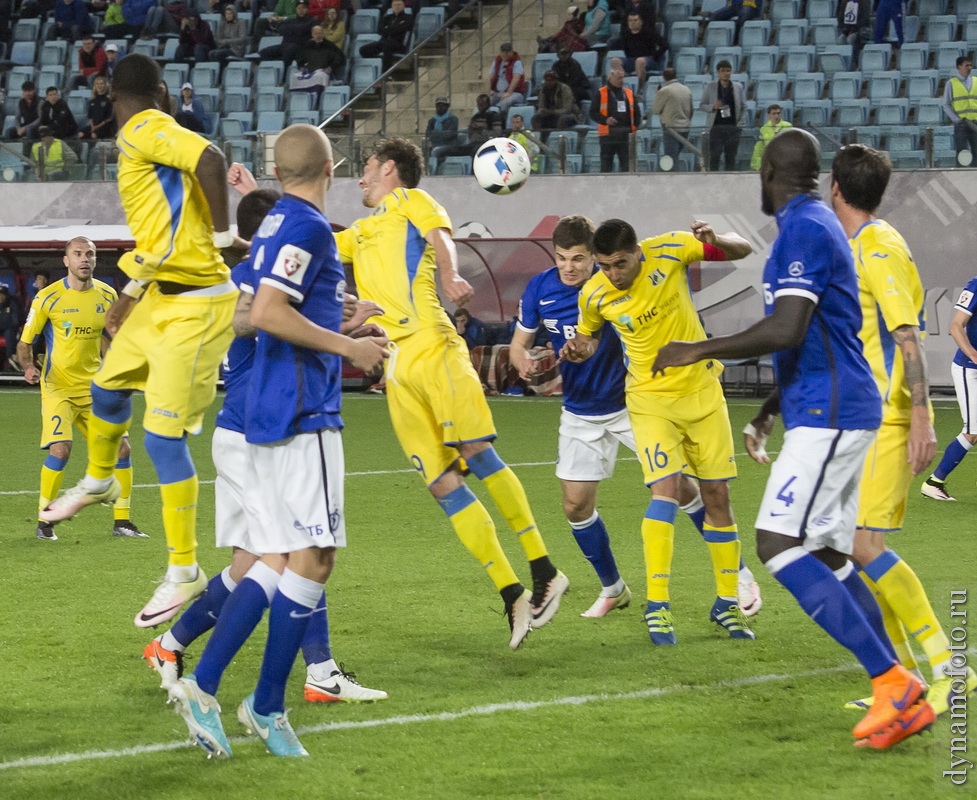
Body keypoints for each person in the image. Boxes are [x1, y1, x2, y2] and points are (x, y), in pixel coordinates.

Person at [652, 128, 935, 749]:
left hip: (831, 411)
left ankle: (894, 682)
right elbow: (811, 332)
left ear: (767, 174)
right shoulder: (810, 225)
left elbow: (787, 328)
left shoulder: (806, 228)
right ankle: (902, 681)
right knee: (831, 555)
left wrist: (697, 348)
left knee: (778, 543)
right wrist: (769, 410)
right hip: (828, 406)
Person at [169, 126, 389, 759]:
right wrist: (351, 346)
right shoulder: (311, 227)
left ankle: (212, 689)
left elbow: (251, 311)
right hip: (301, 410)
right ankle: (261, 702)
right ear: (330, 167)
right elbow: (264, 312)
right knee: (313, 558)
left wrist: (332, 318)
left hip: (262, 407)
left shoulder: (272, 225)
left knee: (271, 558)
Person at [335, 137, 570, 649]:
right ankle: (511, 593)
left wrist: (448, 271)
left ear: (390, 169)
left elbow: (440, 237)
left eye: (366, 168)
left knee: (476, 451)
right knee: (441, 484)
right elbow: (309, 249)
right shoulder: (359, 231)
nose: (360, 178)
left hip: (433, 344)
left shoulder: (412, 202)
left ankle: (545, 569)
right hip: (395, 369)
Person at [40, 53, 246, 632]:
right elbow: (165, 230)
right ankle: (101, 480)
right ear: (160, 89)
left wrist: (227, 237)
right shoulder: (147, 136)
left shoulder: (143, 129)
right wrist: (131, 288)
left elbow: (210, 156)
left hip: (197, 305)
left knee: (161, 437)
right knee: (106, 391)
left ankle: (184, 570)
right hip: (160, 296)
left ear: (112, 94)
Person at [513, 216, 761, 619]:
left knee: (681, 490)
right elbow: (528, 344)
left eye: (579, 259)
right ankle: (614, 589)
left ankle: (738, 576)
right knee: (575, 505)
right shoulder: (552, 290)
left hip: (635, 401)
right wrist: (529, 361)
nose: (571, 267)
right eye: (563, 259)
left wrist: (716, 239)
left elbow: (737, 249)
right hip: (581, 408)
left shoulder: (634, 268)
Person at [825, 143, 977, 717]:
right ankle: (903, 677)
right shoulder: (861, 244)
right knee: (854, 548)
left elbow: (908, 334)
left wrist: (921, 417)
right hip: (862, 416)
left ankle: (949, 668)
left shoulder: (879, 248)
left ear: (836, 188)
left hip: (888, 417)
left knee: (865, 546)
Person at [17, 237, 148, 541]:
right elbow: (25, 343)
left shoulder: (107, 293)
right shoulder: (48, 298)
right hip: (58, 388)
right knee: (61, 450)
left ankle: (123, 522)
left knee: (122, 449)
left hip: (94, 389)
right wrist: (28, 366)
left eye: (90, 254)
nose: (84, 259)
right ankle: (44, 521)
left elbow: (109, 337)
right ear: (66, 261)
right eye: (77, 254)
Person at [923, 277, 977, 502]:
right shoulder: (975, 286)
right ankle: (934, 482)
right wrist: (973, 355)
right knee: (974, 429)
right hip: (970, 370)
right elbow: (956, 326)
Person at [590, 68, 640, 173]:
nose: (621, 80)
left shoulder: (628, 93)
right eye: (619, 78)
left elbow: (637, 113)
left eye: (622, 78)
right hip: (608, 136)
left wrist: (634, 127)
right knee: (606, 167)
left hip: (626, 136)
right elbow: (593, 113)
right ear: (610, 78)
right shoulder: (601, 93)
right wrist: (605, 120)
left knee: (627, 167)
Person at [701, 60, 745, 172]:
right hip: (716, 127)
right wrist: (713, 106)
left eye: (728, 70)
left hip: (733, 128)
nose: (726, 73)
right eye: (723, 71)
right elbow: (702, 105)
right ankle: (713, 181)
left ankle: (730, 183)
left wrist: (740, 124)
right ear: (718, 72)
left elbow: (744, 106)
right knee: (715, 156)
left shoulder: (738, 87)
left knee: (731, 158)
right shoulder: (710, 87)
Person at [608, 12, 666, 90]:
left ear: (641, 22)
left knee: (640, 61)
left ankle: (639, 89)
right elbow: (613, 45)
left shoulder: (649, 33)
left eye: (635, 20)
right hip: (632, 60)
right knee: (614, 61)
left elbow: (665, 45)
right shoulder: (626, 35)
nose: (632, 23)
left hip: (649, 60)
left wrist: (656, 56)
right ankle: (623, 86)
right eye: (630, 20)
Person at [651, 67, 693, 167]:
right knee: (676, 155)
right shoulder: (686, 89)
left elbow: (655, 109)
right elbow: (692, 110)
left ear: (664, 77)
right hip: (685, 127)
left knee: (670, 158)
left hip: (671, 128)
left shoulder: (664, 90)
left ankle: (671, 178)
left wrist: (658, 95)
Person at [941, 55, 977, 167]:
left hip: (975, 122)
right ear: (959, 67)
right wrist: (957, 120)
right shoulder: (951, 83)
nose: (969, 67)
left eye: (970, 65)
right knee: (962, 152)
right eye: (966, 65)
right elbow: (946, 104)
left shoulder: (976, 81)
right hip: (962, 123)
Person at [359, 0, 413, 70]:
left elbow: (403, 28)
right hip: (384, 42)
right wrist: (396, 27)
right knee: (363, 50)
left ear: (404, 6)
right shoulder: (387, 18)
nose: (397, 7)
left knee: (388, 44)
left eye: (399, 5)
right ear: (392, 6)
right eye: (395, 5)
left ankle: (385, 72)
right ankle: (375, 68)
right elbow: (380, 31)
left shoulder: (408, 17)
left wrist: (388, 28)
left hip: (400, 44)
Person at [261, 0, 316, 68]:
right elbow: (282, 30)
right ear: (296, 9)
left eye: (303, 8)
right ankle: (275, 69)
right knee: (264, 52)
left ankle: (285, 74)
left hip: (300, 47)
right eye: (299, 8)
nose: (301, 10)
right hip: (285, 45)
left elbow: (303, 32)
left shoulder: (312, 21)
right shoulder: (290, 21)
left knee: (289, 50)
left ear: (307, 9)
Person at [487, 42, 526, 116]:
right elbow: (490, 78)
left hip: (515, 93)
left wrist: (508, 92)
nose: (503, 55)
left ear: (510, 53)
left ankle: (502, 120)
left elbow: (516, 79)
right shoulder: (497, 62)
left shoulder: (517, 62)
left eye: (505, 53)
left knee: (505, 102)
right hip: (499, 92)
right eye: (502, 53)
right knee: (488, 101)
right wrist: (488, 93)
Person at [750, 104, 791, 171]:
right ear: (769, 115)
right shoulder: (764, 129)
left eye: (778, 113)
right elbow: (761, 146)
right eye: (774, 113)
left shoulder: (788, 126)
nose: (776, 116)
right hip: (769, 159)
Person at [77, 75, 115, 140]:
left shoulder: (108, 100)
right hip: (93, 126)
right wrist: (92, 127)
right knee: (80, 134)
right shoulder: (92, 101)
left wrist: (96, 127)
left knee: (94, 135)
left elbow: (109, 118)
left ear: (105, 85)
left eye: (101, 84)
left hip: (104, 127)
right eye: (97, 84)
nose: (99, 86)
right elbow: (90, 116)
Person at [837, 0, 870, 68]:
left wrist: (853, 29)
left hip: (859, 30)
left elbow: (865, 19)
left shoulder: (864, 3)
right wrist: (845, 29)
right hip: (847, 30)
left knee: (850, 39)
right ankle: (844, 63)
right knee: (840, 40)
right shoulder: (844, 3)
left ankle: (853, 62)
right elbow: (840, 19)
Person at [0, 282, 24, 370]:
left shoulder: (13, 303)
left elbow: (16, 321)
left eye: (2, 295)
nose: (0, 297)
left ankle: (12, 358)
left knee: (9, 333)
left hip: (11, 328)